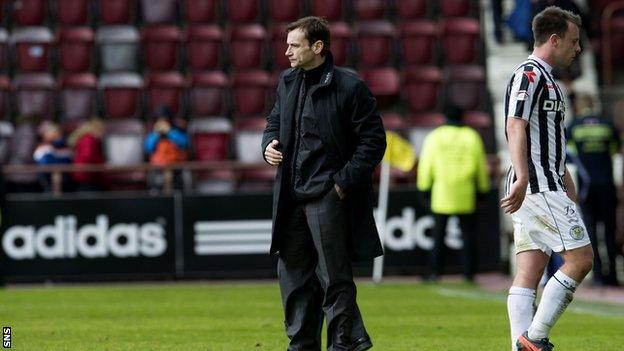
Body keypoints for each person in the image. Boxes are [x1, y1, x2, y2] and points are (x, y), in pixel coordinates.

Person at [261, 16, 386, 351]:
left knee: (334, 279)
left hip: (328, 195)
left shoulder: (349, 85)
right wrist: (269, 144)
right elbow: (274, 121)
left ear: (317, 47)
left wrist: (342, 183)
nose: (286, 51)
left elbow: (373, 142)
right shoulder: (287, 81)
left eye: (294, 45)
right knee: (294, 278)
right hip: (291, 196)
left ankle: (344, 344)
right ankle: (302, 345)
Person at [501, 6, 594, 351]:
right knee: (581, 260)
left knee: (529, 271)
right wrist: (524, 176)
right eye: (573, 41)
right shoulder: (529, 74)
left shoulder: (549, 79)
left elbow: (547, 136)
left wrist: (565, 175)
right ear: (553, 40)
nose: (578, 48)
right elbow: (515, 125)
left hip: (545, 181)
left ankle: (519, 346)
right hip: (537, 185)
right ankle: (534, 338)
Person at [416, 105, 490, 282]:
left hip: (442, 193)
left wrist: (424, 188)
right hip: (465, 192)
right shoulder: (471, 136)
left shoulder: (435, 136)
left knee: (438, 236)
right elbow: (481, 166)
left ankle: (435, 272)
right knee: (468, 237)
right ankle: (468, 273)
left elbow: (426, 164)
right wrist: (482, 189)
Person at [567, 93, 621, 287]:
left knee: (590, 231)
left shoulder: (574, 125)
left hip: (586, 188)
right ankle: (612, 275)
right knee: (609, 231)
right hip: (606, 184)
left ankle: (597, 275)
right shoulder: (607, 124)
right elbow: (615, 150)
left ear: (580, 107)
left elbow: (569, 155)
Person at [144, 106, 190, 191]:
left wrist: (170, 132)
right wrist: (156, 134)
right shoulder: (154, 133)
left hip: (176, 167)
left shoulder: (177, 130)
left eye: (165, 119)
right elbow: (148, 148)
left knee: (185, 177)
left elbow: (184, 143)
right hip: (158, 167)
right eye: (160, 120)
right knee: (153, 179)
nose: (162, 122)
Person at [68, 117, 107, 191]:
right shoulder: (90, 139)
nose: (103, 133)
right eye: (102, 129)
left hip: (84, 175)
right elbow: (88, 156)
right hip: (87, 176)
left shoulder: (86, 138)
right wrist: (103, 163)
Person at [33, 121, 73, 192]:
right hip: (49, 183)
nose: (56, 135)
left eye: (57, 132)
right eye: (52, 132)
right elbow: (45, 165)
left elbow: (69, 161)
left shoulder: (65, 147)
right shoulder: (43, 149)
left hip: (65, 182)